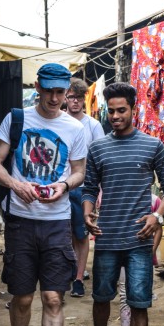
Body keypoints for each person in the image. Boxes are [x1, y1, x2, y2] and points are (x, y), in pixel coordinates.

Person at [0, 63, 88, 326]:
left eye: (61, 92)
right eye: (49, 91)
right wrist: (16, 184)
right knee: (23, 296)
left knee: (53, 297)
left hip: (56, 223)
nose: (55, 98)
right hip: (21, 222)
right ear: (38, 87)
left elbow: (78, 172)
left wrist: (62, 185)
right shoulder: (16, 118)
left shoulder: (75, 129)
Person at [82, 82, 164, 326]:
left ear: (134, 110)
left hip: (139, 240)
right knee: (101, 300)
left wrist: (157, 216)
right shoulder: (98, 149)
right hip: (107, 238)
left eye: (122, 110)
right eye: (111, 111)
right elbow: (88, 190)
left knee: (139, 304)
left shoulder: (152, 146)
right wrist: (87, 213)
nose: (115, 116)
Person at [65, 77, 105, 297]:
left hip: (84, 187)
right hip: (61, 187)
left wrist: (99, 189)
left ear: (84, 100)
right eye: (71, 97)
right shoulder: (59, 121)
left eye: (79, 97)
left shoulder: (93, 125)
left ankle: (78, 278)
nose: (75, 102)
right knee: (64, 233)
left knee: (81, 234)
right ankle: (68, 272)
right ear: (65, 98)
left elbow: (100, 159)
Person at [117, 194, 163, 326]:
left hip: (143, 255)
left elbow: (158, 229)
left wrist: (151, 252)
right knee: (124, 294)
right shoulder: (120, 195)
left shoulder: (154, 200)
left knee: (139, 299)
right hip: (121, 252)